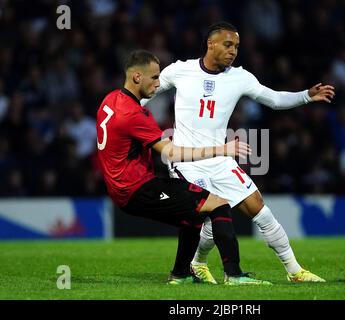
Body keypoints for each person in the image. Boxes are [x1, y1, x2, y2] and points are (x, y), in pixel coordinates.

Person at [150, 21, 335, 283]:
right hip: (187, 160)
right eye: (228, 45)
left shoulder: (240, 77)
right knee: (213, 214)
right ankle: (205, 267)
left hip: (220, 159)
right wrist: (128, 115)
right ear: (210, 44)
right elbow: (145, 95)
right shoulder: (181, 70)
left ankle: (295, 271)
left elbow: (273, 99)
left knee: (259, 207)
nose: (233, 51)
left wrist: (306, 95)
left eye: (236, 46)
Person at [96, 49, 271, 285]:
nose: (159, 84)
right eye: (155, 77)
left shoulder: (110, 100)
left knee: (194, 215)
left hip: (123, 186)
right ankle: (234, 274)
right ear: (137, 77)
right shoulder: (134, 115)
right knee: (218, 204)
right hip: (136, 189)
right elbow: (172, 153)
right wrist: (222, 149)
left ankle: (181, 275)